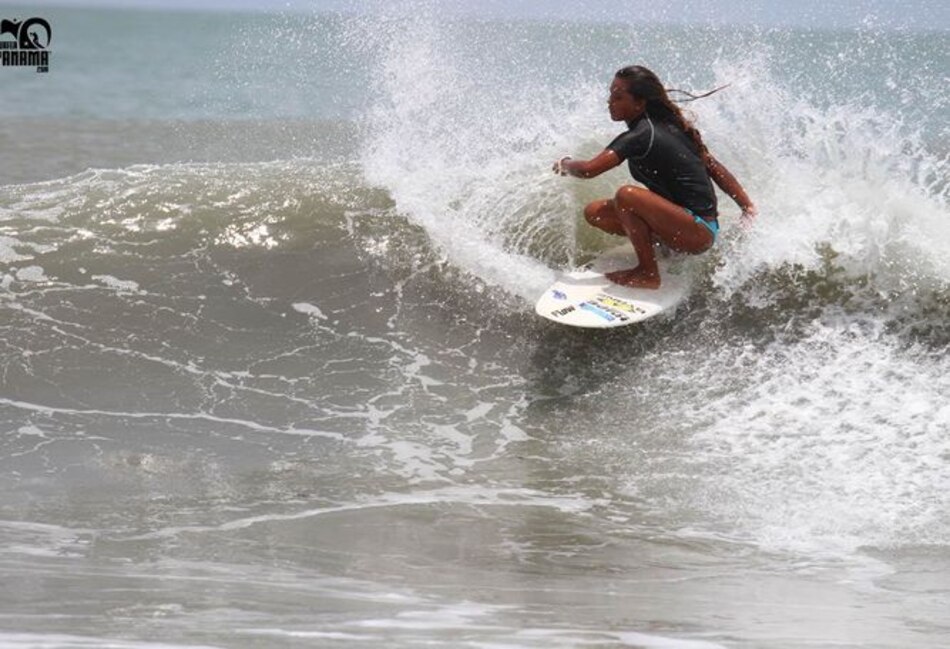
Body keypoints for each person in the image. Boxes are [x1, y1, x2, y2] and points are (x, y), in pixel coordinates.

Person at [553, 65, 756, 289]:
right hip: (680, 223)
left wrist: (565, 163)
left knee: (627, 196)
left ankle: (648, 273)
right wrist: (745, 205)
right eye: (611, 95)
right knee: (595, 212)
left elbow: (589, 170)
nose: (610, 102)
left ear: (639, 103)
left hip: (699, 231)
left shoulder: (643, 134)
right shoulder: (666, 126)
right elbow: (714, 166)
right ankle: (663, 247)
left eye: (618, 97)